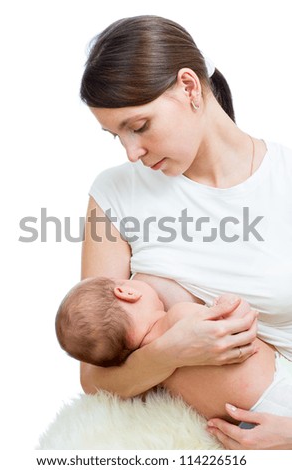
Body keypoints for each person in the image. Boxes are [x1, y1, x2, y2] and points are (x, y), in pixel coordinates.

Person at [79, 15, 292, 448]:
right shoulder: (114, 193)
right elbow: (94, 375)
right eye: (115, 136)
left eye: (139, 127)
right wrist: (172, 350)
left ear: (189, 87)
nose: (132, 152)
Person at [55, 275, 292, 427]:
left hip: (248, 422)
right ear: (126, 292)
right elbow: (238, 324)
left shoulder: (154, 380)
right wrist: (229, 303)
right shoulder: (178, 318)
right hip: (279, 387)